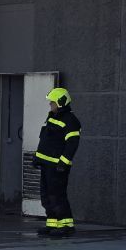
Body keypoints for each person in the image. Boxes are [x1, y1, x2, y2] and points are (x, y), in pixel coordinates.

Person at [34, 87, 81, 238]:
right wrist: (38, 158)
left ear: (61, 102)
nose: (50, 105)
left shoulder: (71, 121)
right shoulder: (53, 116)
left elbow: (72, 144)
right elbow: (46, 140)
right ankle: (52, 223)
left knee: (57, 195)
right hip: (47, 165)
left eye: (52, 103)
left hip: (57, 166)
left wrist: (63, 163)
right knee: (46, 195)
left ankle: (66, 225)